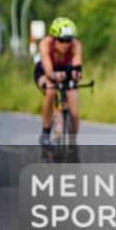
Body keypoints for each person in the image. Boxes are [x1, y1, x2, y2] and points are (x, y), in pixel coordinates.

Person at [35, 17, 83, 145]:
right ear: (53, 38)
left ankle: (72, 143)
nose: (65, 44)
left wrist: (76, 74)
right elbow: (49, 72)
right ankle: (45, 132)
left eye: (68, 40)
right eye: (61, 40)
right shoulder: (45, 44)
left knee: (74, 112)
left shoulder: (76, 44)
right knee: (50, 91)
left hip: (66, 72)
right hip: (46, 71)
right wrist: (55, 76)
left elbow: (77, 68)